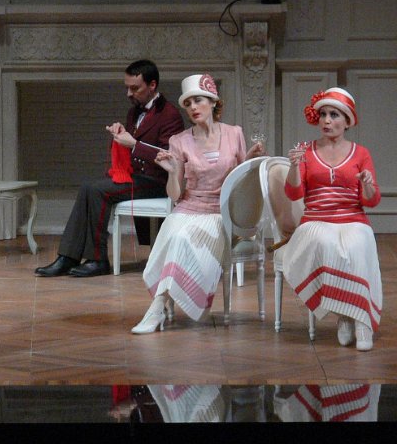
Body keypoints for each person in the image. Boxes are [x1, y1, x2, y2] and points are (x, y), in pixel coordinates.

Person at [131, 74, 264, 333]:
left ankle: (157, 308)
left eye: (199, 100)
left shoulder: (234, 133)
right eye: (188, 103)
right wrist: (172, 173)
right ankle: (157, 307)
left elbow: (240, 179)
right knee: (174, 233)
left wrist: (250, 157)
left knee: (181, 238)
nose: (193, 107)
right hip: (187, 208)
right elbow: (175, 195)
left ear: (213, 102)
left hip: (220, 212)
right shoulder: (179, 141)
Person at [35, 60, 185, 278]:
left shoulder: (169, 114)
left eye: (135, 88)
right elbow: (133, 142)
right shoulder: (134, 112)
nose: (128, 93)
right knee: (88, 187)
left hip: (159, 182)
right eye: (127, 87)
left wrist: (134, 144)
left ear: (152, 85)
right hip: (138, 177)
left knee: (96, 190)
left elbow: (170, 157)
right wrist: (122, 133)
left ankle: (97, 259)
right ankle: (68, 256)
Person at [281, 87, 381, 351]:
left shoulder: (361, 153)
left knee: (358, 243)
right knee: (326, 242)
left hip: (353, 218)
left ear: (347, 121)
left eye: (334, 115)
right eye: (323, 114)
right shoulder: (306, 151)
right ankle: (343, 313)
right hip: (315, 219)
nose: (326, 120)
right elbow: (293, 193)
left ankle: (361, 319)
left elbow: (371, 201)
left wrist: (367, 184)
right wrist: (294, 166)